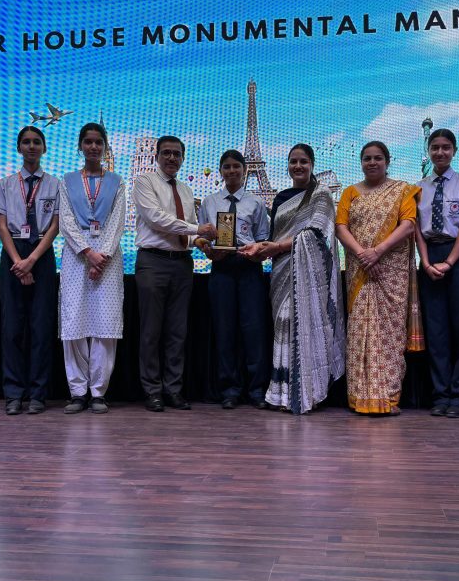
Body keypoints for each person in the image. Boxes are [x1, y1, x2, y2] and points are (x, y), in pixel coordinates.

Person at [240, 144, 345, 414]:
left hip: (308, 272)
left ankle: (307, 391)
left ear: (312, 164)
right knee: (282, 327)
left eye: (303, 161)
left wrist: (276, 247)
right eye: (293, 161)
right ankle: (281, 392)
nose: (298, 166)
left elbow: (317, 234)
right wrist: (259, 249)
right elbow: (273, 236)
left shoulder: (321, 195)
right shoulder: (281, 198)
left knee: (299, 323)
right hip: (281, 270)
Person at [335, 141, 421, 415]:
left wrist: (378, 251)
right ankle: (360, 397)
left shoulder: (402, 191)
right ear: (361, 162)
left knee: (389, 334)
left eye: (378, 158)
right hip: (360, 269)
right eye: (367, 158)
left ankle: (388, 397)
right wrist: (364, 255)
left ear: (387, 161)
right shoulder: (350, 193)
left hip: (390, 272)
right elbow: (341, 228)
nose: (372, 163)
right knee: (359, 331)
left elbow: (408, 225)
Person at [132, 135, 217, 412]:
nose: (171, 158)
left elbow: (187, 230)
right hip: (152, 262)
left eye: (177, 154)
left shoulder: (186, 190)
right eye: (166, 153)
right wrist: (197, 230)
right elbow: (156, 218)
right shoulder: (144, 182)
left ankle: (173, 389)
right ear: (156, 156)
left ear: (183, 158)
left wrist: (199, 241)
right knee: (151, 331)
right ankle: (152, 391)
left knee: (177, 331)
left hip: (182, 264)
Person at [0, 126, 60, 415]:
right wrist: (19, 261)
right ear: (19, 148)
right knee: (12, 328)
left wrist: (32, 260)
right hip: (13, 253)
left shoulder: (55, 184)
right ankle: (13, 394)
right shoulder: (6, 184)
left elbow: (55, 226)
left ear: (44, 148)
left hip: (41, 253)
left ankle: (38, 394)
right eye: (27, 142)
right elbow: (1, 226)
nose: (32, 147)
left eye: (37, 142)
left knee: (41, 327)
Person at [414, 128, 459, 419]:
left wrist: (450, 262)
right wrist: (426, 261)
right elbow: (416, 229)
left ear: (454, 151)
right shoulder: (418, 188)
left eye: (445, 147)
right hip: (430, 255)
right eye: (435, 147)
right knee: (436, 331)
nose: (440, 152)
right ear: (429, 151)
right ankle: (441, 395)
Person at [58, 123, 125, 415]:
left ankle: (98, 392)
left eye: (98, 142)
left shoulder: (117, 182)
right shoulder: (67, 181)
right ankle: (77, 392)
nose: (94, 147)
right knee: (74, 320)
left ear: (105, 146)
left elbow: (118, 221)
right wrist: (88, 253)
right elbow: (65, 220)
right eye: (88, 142)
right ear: (80, 146)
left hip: (108, 259)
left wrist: (102, 256)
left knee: (105, 324)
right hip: (76, 256)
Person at [197, 150, 272, 409]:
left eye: (236, 166)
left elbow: (263, 238)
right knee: (224, 330)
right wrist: (208, 250)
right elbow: (202, 238)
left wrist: (257, 251)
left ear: (244, 170)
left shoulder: (256, 203)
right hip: (221, 269)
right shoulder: (209, 202)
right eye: (227, 167)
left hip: (249, 269)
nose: (231, 171)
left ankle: (257, 389)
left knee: (254, 330)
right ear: (220, 171)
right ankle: (229, 389)